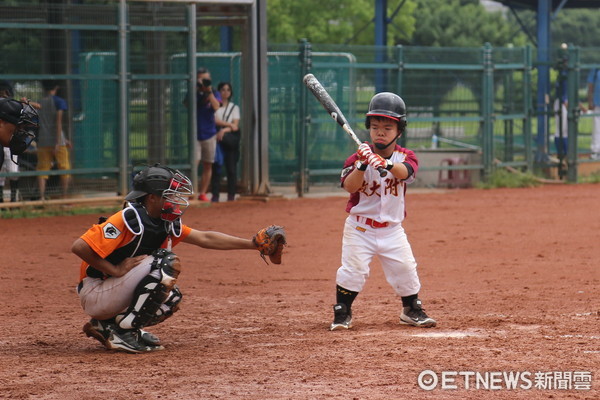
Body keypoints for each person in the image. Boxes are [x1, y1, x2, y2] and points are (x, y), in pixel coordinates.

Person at [71, 164, 284, 353]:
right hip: (96, 291)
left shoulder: (165, 222)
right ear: (152, 197)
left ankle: (108, 326)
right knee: (164, 263)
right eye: (169, 195)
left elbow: (205, 238)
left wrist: (251, 244)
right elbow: (80, 246)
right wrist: (115, 269)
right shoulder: (129, 218)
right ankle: (122, 332)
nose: (175, 200)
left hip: (111, 291)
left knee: (170, 298)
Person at [330, 92, 436, 331]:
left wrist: (386, 164)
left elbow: (407, 172)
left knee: (405, 268)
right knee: (353, 269)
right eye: (375, 126)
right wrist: (362, 164)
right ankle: (342, 311)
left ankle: (411, 309)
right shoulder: (356, 158)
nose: (380, 131)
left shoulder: (404, 156)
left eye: (388, 127)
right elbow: (350, 186)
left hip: (392, 230)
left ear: (399, 130)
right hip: (360, 227)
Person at [184, 68, 221, 202]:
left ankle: (203, 193)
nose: (203, 82)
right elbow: (187, 104)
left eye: (206, 79)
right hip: (195, 134)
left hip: (209, 134)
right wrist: (196, 89)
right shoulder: (193, 93)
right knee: (194, 163)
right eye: (201, 79)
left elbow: (217, 106)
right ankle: (191, 192)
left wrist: (208, 91)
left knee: (208, 164)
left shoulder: (214, 93)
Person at [37, 80, 71, 199]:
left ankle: (41, 197)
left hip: (43, 140)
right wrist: (58, 142)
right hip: (58, 141)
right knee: (64, 167)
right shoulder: (59, 102)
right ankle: (64, 195)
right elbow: (58, 123)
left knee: (43, 168)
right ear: (56, 87)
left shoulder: (39, 102)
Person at [211, 82, 241, 202]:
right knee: (216, 167)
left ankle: (231, 196)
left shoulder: (235, 107)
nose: (225, 92)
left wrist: (223, 131)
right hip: (217, 140)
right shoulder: (214, 106)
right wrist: (228, 125)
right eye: (223, 90)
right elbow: (215, 121)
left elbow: (236, 126)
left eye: (228, 90)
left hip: (229, 141)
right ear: (218, 91)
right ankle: (215, 195)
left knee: (231, 169)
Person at [587, 68, 600, 160]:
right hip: (597, 103)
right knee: (597, 128)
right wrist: (590, 101)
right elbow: (590, 86)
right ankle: (595, 152)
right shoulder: (595, 69)